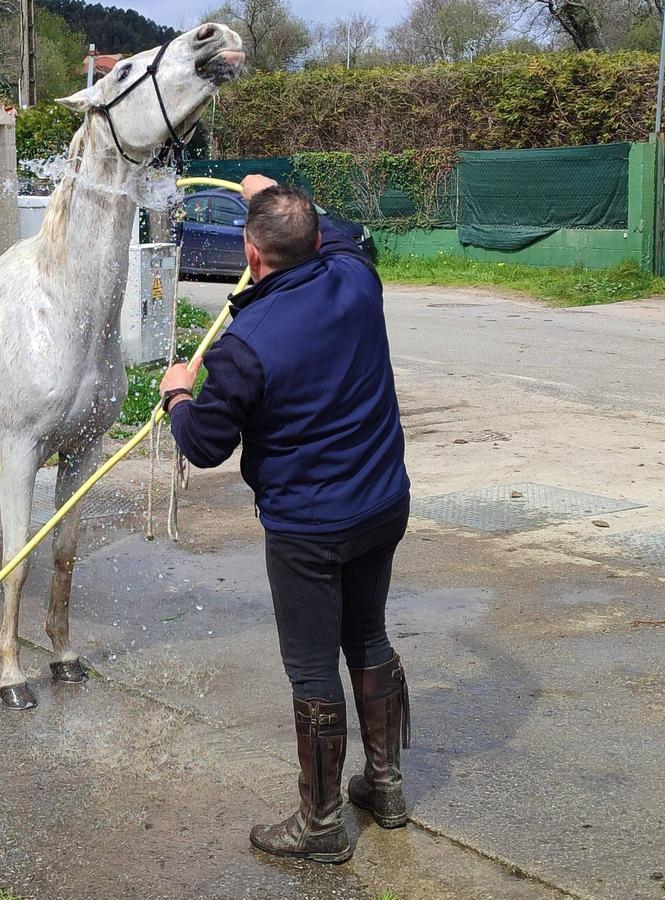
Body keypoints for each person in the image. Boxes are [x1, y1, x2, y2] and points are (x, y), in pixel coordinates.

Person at [160, 175, 411, 864]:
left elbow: (205, 445)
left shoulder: (247, 342)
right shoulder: (358, 277)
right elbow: (345, 232)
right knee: (366, 634)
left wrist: (179, 395)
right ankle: (384, 786)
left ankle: (320, 825)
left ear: (251, 253)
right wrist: (281, 194)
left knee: (310, 669)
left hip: (310, 528)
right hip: (382, 503)